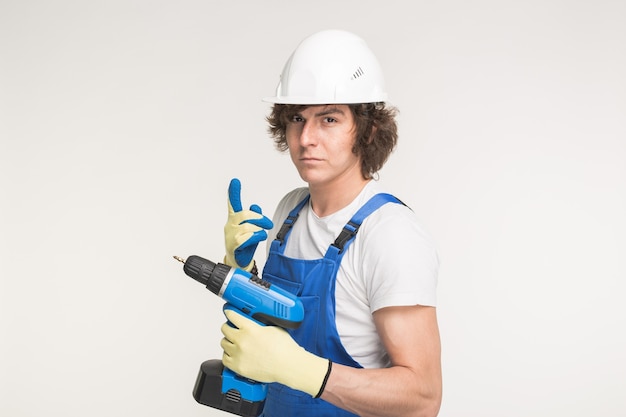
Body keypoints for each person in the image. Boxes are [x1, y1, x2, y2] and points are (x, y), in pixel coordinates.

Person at [221, 29, 442, 417]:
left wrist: (306, 372)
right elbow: (268, 333)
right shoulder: (289, 212)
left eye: (328, 119)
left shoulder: (390, 234)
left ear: (368, 128)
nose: (306, 138)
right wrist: (239, 269)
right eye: (296, 118)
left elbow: (423, 398)